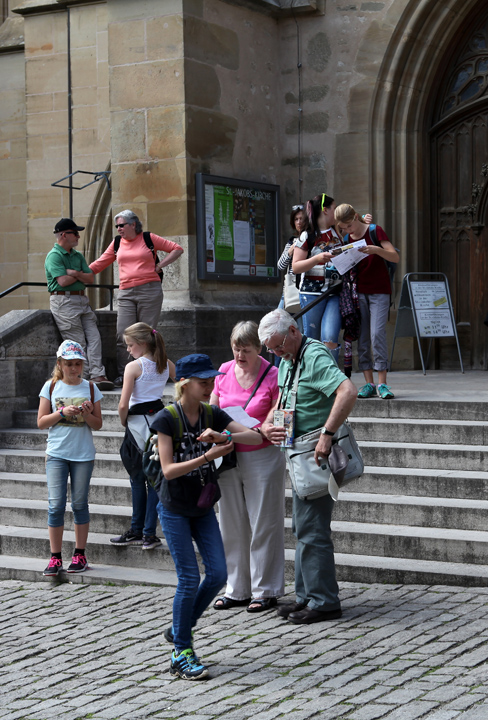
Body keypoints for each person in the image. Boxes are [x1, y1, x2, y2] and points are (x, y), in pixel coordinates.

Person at [149, 353, 263, 680]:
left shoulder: (212, 413)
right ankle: (182, 650)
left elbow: (255, 436)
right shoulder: (167, 418)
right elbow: (168, 471)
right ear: (184, 384)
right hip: (173, 508)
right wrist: (207, 457)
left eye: (211, 380)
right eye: (203, 381)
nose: (210, 385)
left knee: (217, 575)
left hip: (201, 506)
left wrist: (225, 437)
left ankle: (179, 628)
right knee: (189, 579)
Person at [258, 309, 357, 624]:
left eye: (278, 346)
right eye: (272, 350)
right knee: (303, 529)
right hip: (299, 454)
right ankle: (306, 596)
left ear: (292, 331)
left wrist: (327, 435)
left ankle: (324, 601)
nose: (276, 353)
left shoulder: (313, 355)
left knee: (313, 530)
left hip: (314, 454)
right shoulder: (289, 357)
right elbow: (284, 400)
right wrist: (270, 423)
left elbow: (347, 391)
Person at [210, 321, 286, 612]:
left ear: (259, 349)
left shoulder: (274, 374)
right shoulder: (225, 369)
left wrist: (263, 427)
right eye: (235, 349)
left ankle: (265, 589)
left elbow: (276, 418)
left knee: (264, 521)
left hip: (262, 454)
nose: (239, 355)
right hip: (228, 454)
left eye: (246, 350)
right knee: (230, 522)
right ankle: (236, 588)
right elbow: (213, 409)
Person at [89, 210, 184, 387]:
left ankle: (148, 372)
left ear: (133, 224)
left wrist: (160, 265)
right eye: (116, 226)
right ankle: (124, 374)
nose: (118, 229)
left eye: (122, 225)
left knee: (146, 334)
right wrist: (82, 273)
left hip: (150, 290)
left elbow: (177, 249)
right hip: (126, 292)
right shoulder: (117, 242)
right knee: (123, 333)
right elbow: (100, 262)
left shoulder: (148, 238)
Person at [37, 340, 103, 576]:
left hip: (83, 455)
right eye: (69, 364)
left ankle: (80, 554)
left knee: (79, 504)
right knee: (55, 505)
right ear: (60, 364)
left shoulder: (91, 388)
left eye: (78, 364)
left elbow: (98, 424)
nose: (74, 369)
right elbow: (41, 422)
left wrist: (86, 415)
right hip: (56, 453)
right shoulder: (51, 387)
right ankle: (55, 557)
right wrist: (61, 413)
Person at [110, 322, 175, 550]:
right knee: (155, 479)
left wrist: (123, 421)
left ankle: (139, 530)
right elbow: (182, 380)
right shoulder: (165, 363)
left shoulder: (134, 367)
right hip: (158, 421)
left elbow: (122, 404)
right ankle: (148, 533)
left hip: (137, 423)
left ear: (142, 343)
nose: (128, 350)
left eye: (130, 345)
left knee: (137, 479)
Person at [335, 204, 399, 399]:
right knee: (362, 337)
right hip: (357, 292)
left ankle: (383, 384)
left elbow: (395, 257)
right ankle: (368, 383)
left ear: (356, 217)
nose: (347, 231)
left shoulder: (374, 230)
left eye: (348, 226)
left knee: (377, 333)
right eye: (343, 228)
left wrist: (376, 250)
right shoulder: (347, 238)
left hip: (379, 291)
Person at [45, 218, 113, 390]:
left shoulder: (77, 255)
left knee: (94, 337)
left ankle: (98, 374)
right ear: (63, 235)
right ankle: (85, 377)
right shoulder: (54, 256)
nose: (78, 236)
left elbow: (90, 277)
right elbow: (63, 281)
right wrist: (78, 275)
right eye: (75, 233)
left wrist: (73, 272)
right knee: (78, 342)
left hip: (82, 299)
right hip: (64, 300)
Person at [291, 194, 344, 362]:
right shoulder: (307, 236)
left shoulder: (338, 233)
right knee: (311, 338)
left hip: (335, 292)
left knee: (330, 337)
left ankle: (331, 380)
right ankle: (311, 378)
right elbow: (296, 266)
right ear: (325, 210)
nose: (336, 212)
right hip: (312, 293)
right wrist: (317, 259)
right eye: (334, 208)